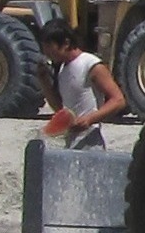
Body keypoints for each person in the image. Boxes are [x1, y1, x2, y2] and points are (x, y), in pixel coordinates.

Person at [38, 19, 126, 149]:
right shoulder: (63, 69)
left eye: (50, 48)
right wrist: (43, 80)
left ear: (66, 43)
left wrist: (89, 119)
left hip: (90, 141)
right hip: (71, 142)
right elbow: (61, 110)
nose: (47, 54)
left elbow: (118, 100)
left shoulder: (91, 64)